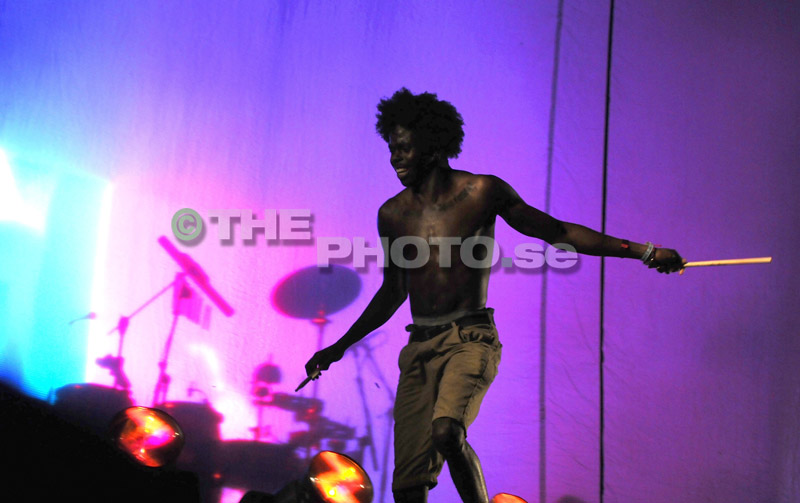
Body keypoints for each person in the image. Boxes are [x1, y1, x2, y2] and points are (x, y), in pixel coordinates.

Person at [305, 88, 683, 503]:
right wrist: (338, 346)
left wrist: (645, 251)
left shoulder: (482, 191)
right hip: (419, 349)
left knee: (447, 432)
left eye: (404, 148)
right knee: (408, 489)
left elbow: (558, 232)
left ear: (433, 147)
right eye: (391, 149)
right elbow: (393, 290)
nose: (395, 159)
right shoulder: (392, 214)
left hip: (470, 339)